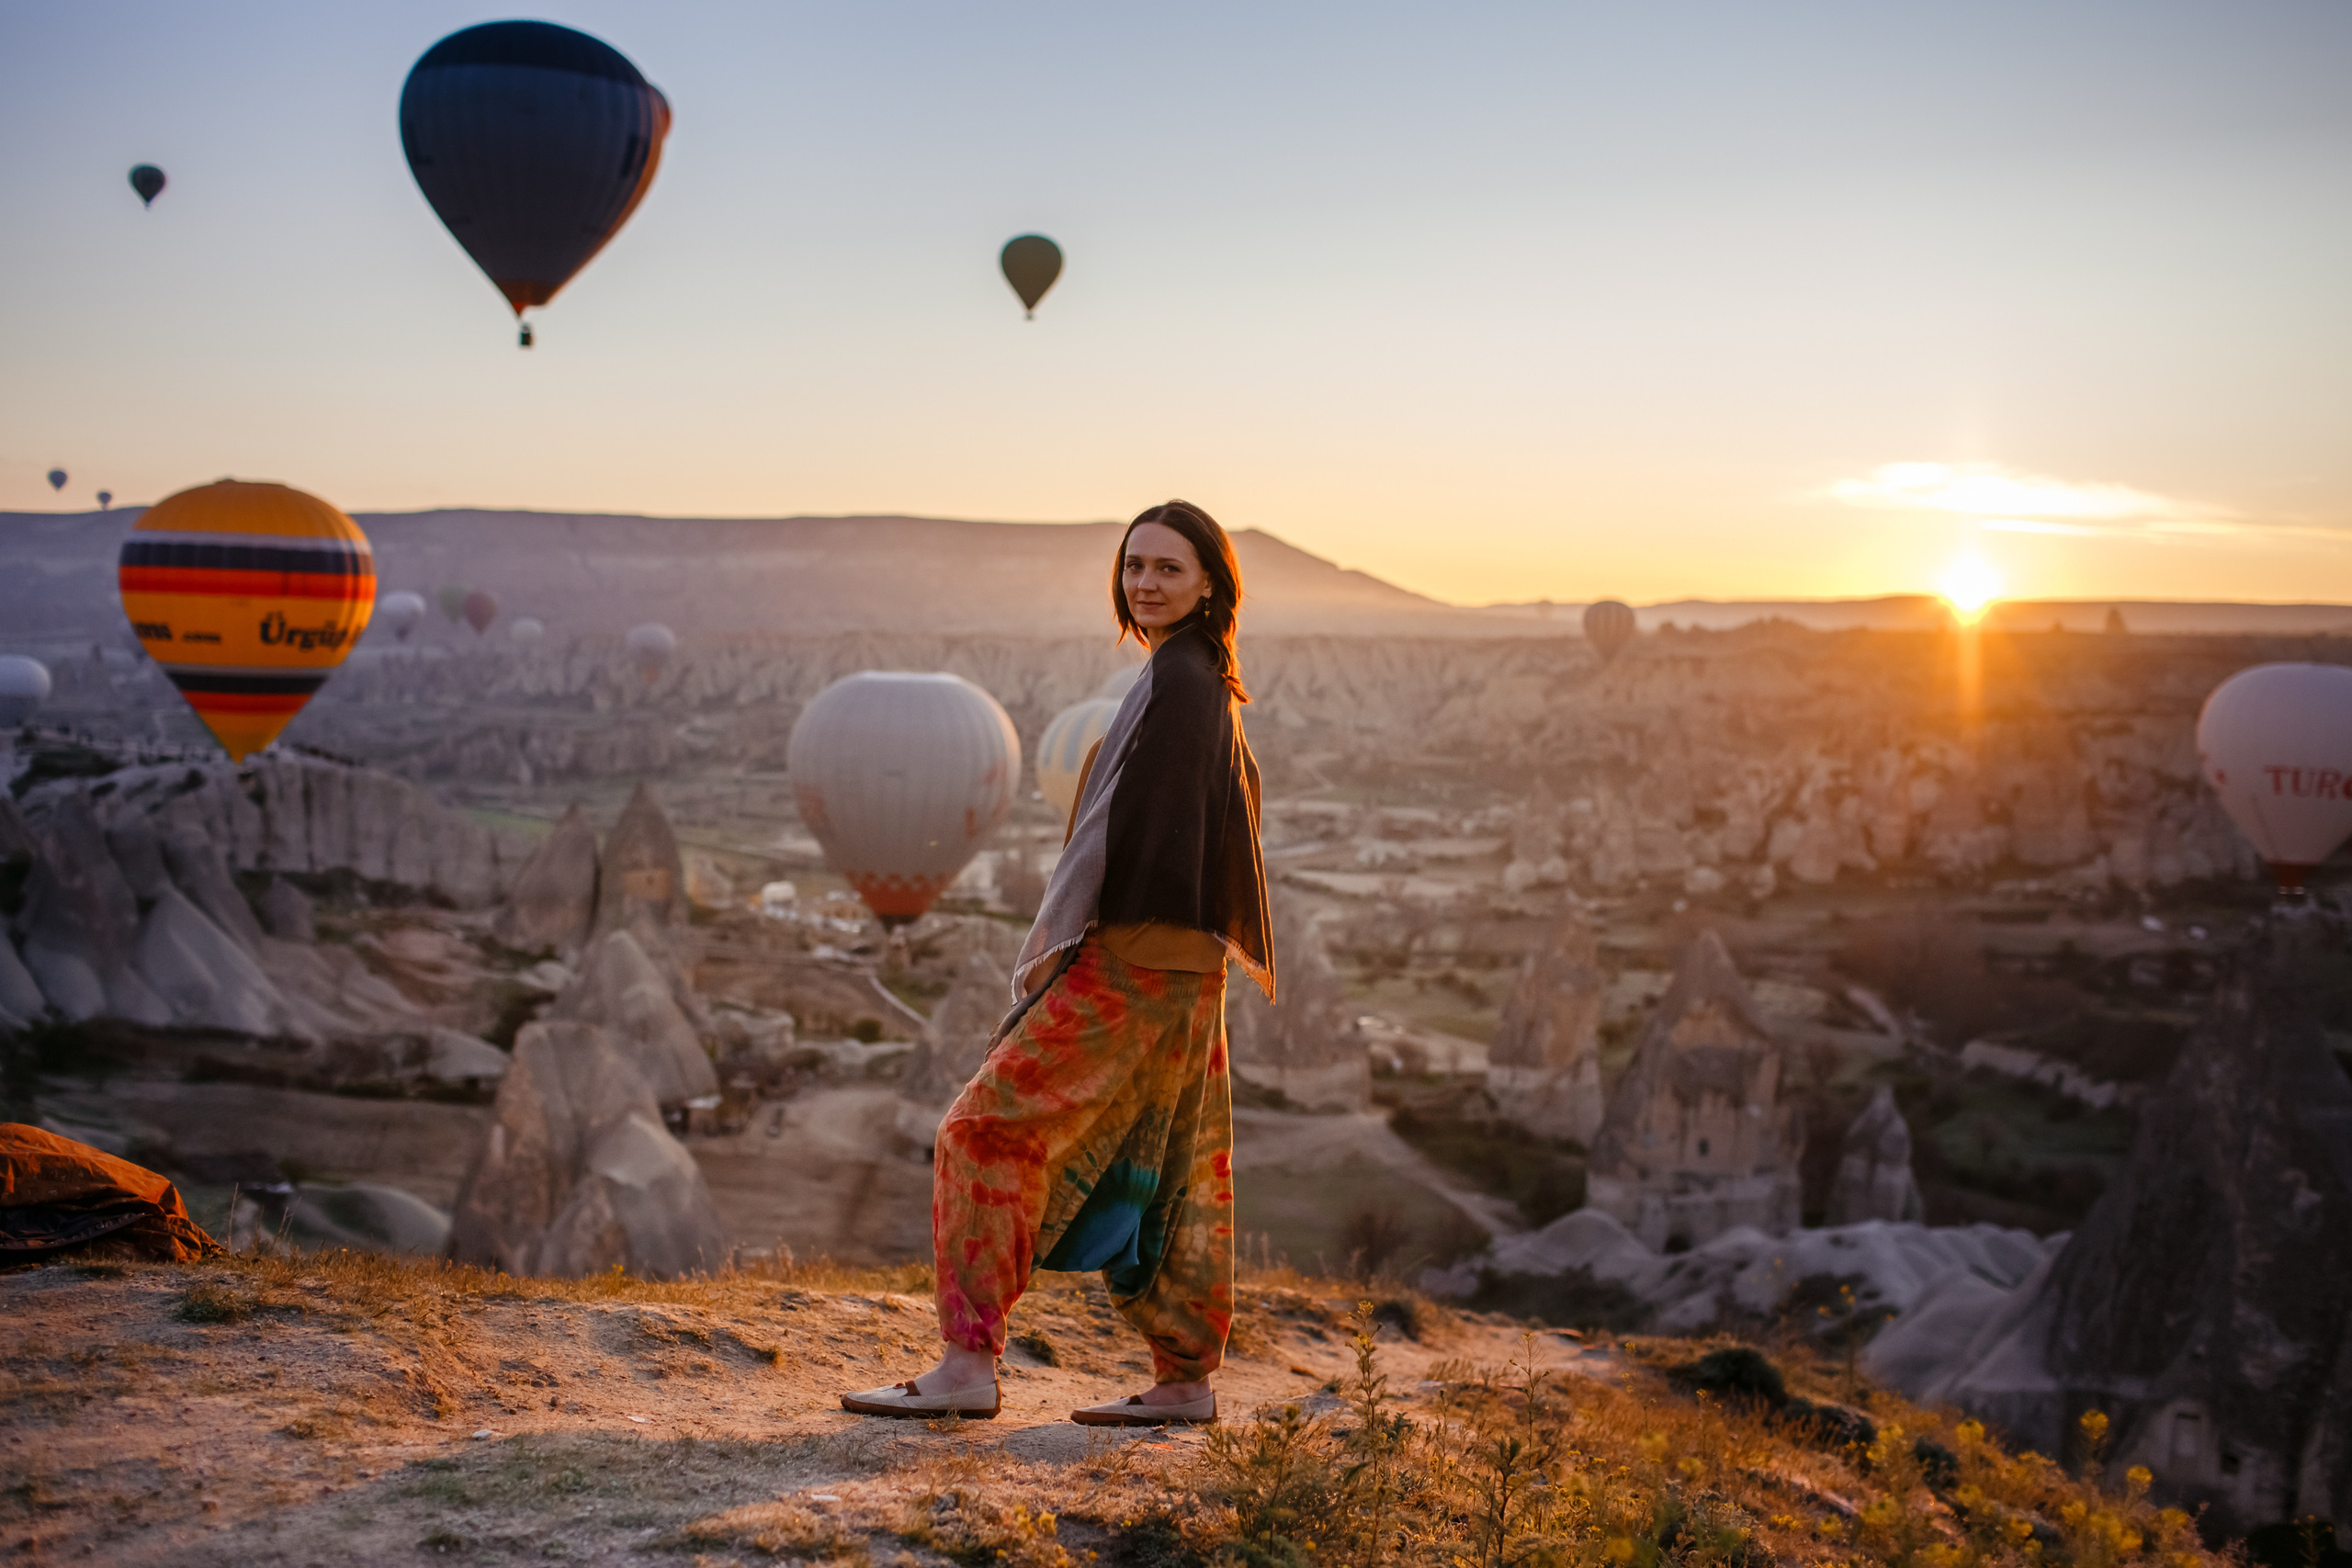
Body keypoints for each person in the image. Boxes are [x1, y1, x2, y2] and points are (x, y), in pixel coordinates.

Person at [842, 500, 1273, 1426]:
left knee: (981, 1133)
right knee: (1171, 1168)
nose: (1145, 583)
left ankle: (966, 1363)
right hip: (1185, 971)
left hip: (1135, 965)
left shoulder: (1183, 684)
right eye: (1133, 566)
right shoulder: (1198, 676)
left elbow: (1150, 847)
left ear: (1210, 582)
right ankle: (1185, 1381)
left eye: (1168, 567)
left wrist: (1074, 954)